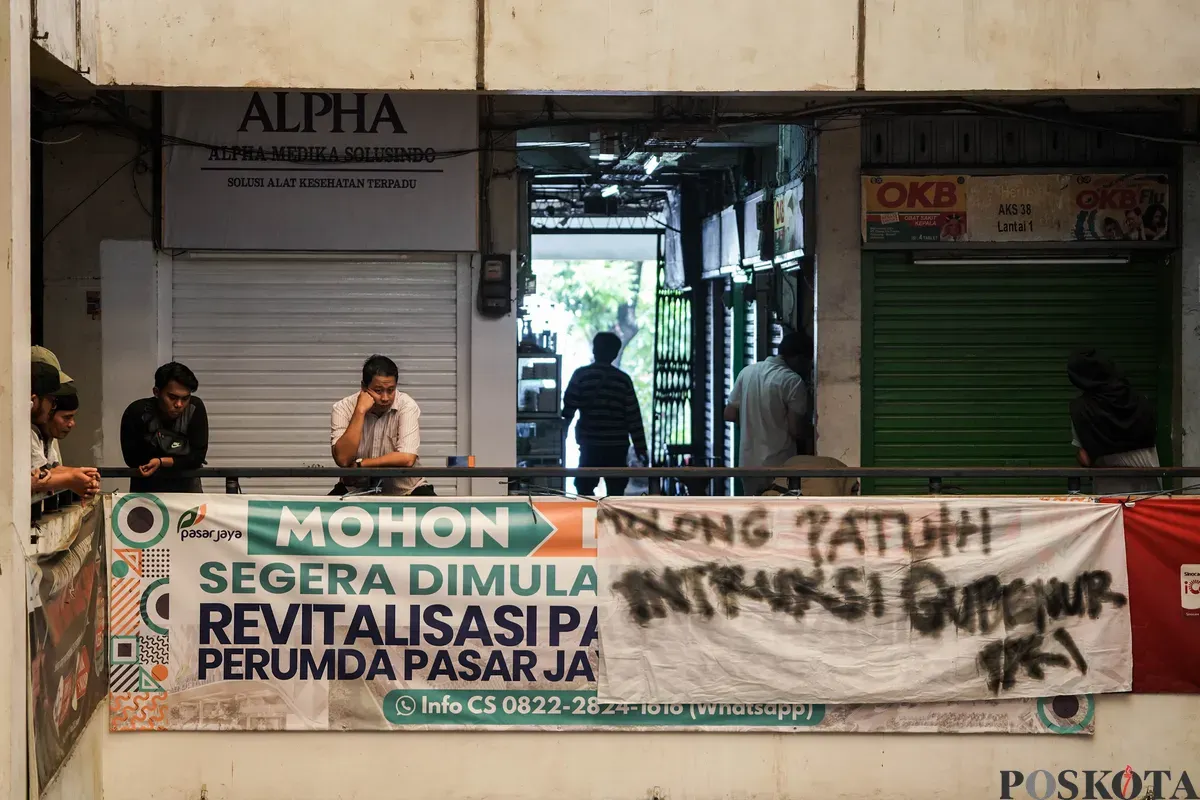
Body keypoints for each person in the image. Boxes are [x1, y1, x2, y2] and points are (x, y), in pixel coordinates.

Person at [330, 355, 433, 496]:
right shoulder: (343, 408)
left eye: (391, 390)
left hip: (405, 490)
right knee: (320, 509)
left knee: (437, 507)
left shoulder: (407, 405)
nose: (385, 398)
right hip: (354, 491)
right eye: (378, 391)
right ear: (364, 387)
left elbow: (407, 458)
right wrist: (360, 411)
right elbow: (343, 459)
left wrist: (362, 464)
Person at [723, 331, 810, 496]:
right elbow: (795, 430)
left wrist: (753, 419)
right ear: (799, 358)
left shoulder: (747, 372)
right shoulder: (792, 381)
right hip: (778, 465)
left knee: (753, 509)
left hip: (748, 464)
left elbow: (729, 414)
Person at [561, 332, 647, 498]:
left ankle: (589, 514)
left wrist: (560, 438)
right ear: (615, 354)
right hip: (617, 447)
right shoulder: (623, 380)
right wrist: (640, 448)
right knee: (616, 492)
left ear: (594, 350)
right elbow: (633, 417)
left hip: (590, 445)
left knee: (584, 489)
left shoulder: (581, 376)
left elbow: (568, 411)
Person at [1067, 349, 1161, 496]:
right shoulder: (1140, 400)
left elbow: (1085, 458)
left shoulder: (1081, 409)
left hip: (1110, 493)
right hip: (1149, 488)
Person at [120, 362, 209, 493]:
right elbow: (131, 459)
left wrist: (161, 461)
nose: (179, 404)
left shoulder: (194, 408)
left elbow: (197, 456)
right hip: (147, 487)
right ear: (156, 392)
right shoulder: (137, 412)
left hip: (187, 488)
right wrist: (176, 459)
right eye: (172, 397)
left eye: (185, 398)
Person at [30, 361, 99, 500]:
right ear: (34, 400)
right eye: (51, 401)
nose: (72, 424)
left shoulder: (45, 435)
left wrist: (79, 476)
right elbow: (38, 476)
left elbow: (51, 469)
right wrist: (72, 479)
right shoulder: (24, 432)